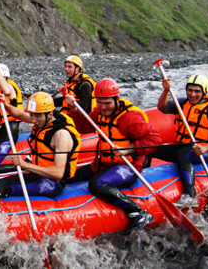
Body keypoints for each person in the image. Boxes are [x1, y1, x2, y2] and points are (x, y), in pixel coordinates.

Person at [65, 78, 162, 234]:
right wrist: (74, 110)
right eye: (100, 102)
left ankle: (138, 212)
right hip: (104, 163)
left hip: (127, 167)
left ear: (117, 99)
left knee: (97, 184)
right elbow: (83, 127)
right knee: (68, 175)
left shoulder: (129, 118)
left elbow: (155, 140)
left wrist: (128, 149)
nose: (103, 107)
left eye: (107, 103)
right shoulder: (99, 112)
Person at [0, 92, 81, 205]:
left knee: (4, 185)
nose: (33, 120)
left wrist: (25, 165)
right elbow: (20, 115)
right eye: (32, 114)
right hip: (37, 175)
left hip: (52, 183)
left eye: (37, 116)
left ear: (50, 114)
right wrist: (6, 105)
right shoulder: (43, 119)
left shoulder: (61, 135)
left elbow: (58, 173)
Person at [147, 75, 208, 207]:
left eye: (197, 91)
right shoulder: (183, 103)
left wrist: (206, 148)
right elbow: (162, 107)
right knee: (149, 149)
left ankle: (190, 196)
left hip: (200, 150)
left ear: (204, 92)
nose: (193, 94)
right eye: (190, 90)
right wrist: (166, 90)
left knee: (182, 155)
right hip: (182, 146)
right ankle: (141, 179)